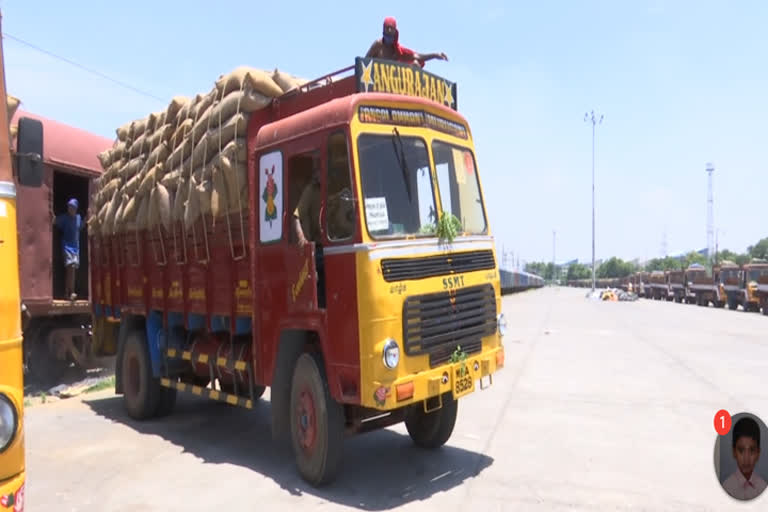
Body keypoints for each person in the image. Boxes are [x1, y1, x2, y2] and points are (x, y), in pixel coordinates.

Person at [365, 17, 448, 68]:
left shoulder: (398, 50)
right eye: (387, 28)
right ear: (383, 29)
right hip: (375, 81)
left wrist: (435, 55)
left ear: (395, 31)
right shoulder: (378, 45)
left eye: (391, 28)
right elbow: (363, 63)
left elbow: (417, 56)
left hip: (392, 84)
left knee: (415, 64)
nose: (389, 31)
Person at [722, 416, 768, 500]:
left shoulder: (763, 487)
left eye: (752, 450)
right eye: (741, 450)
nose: (746, 459)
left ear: (758, 453)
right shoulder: (726, 488)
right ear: (734, 452)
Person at [53, 198, 85, 301]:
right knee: (70, 268)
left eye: (72, 207)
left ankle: (70, 292)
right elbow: (55, 222)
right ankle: (69, 292)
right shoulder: (64, 218)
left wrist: (88, 217)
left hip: (76, 248)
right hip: (67, 246)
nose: (70, 209)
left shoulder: (78, 218)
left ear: (76, 209)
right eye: (69, 207)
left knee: (73, 270)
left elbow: (81, 226)